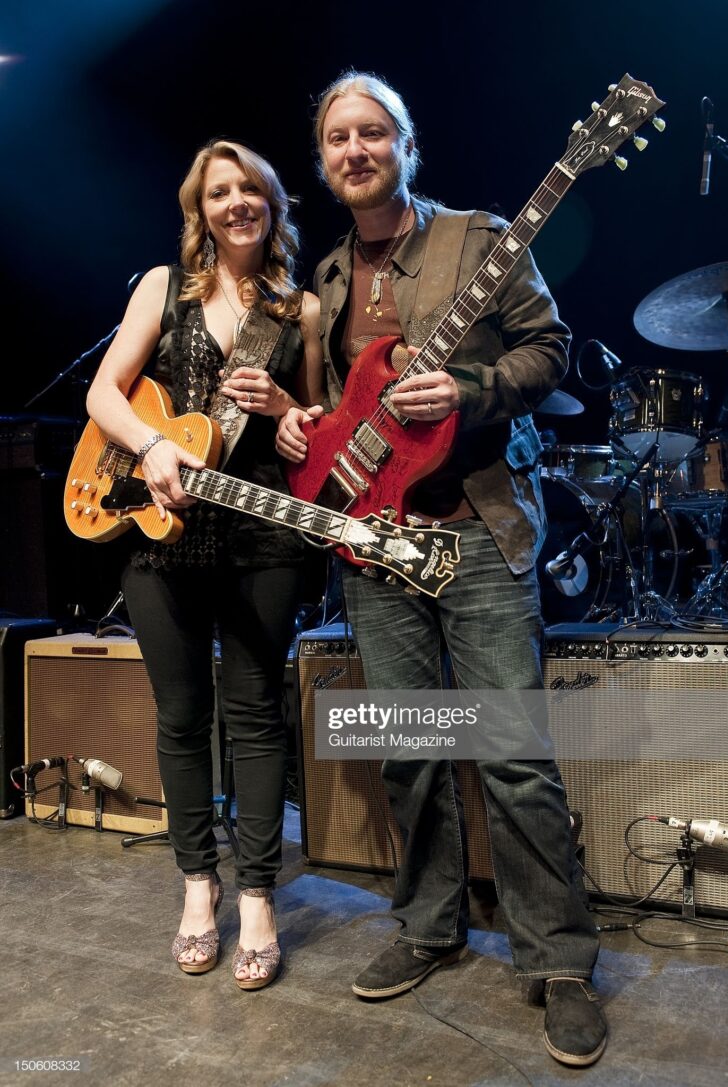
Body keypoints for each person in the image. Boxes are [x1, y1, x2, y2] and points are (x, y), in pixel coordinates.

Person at [276, 73, 606, 1066]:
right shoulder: (327, 277)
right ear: (324, 156)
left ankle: (557, 960)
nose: (355, 149)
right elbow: (335, 410)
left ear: (406, 144)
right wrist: (301, 424)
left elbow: (549, 350)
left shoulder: (476, 238)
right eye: (338, 137)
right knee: (409, 752)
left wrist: (463, 389)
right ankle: (429, 925)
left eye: (373, 132)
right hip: (377, 547)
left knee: (510, 753)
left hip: (476, 531)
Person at [87, 138, 322, 989]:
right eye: (218, 192)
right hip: (162, 530)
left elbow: (316, 428)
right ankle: (198, 886)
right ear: (201, 209)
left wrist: (290, 406)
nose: (235, 204)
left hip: (262, 530)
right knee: (181, 716)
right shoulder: (163, 287)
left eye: (249, 189)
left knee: (257, 715)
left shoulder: (300, 310)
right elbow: (102, 392)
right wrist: (151, 445)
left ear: (272, 204)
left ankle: (257, 895)